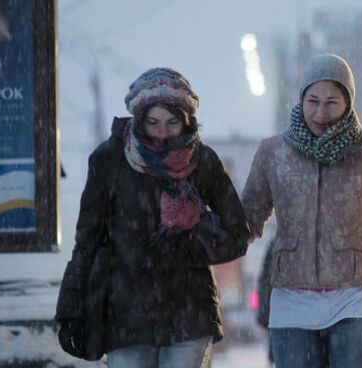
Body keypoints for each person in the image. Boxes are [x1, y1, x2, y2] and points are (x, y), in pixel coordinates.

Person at [55, 67, 251, 368]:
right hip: (125, 311)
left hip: (190, 311)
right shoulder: (109, 159)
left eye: (172, 123)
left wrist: (187, 246)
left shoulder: (204, 161)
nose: (162, 132)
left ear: (187, 121)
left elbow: (238, 233)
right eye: (153, 122)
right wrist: (70, 305)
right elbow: (87, 240)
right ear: (138, 118)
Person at [242, 54, 362, 368]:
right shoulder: (273, 153)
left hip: (358, 297)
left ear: (348, 103)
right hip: (293, 298)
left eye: (332, 102)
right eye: (312, 101)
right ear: (301, 100)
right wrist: (205, 232)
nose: (320, 112)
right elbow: (244, 221)